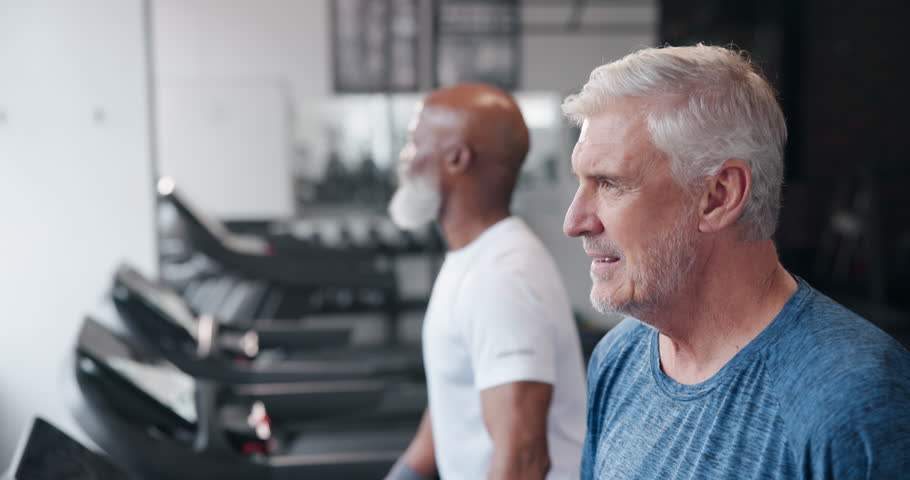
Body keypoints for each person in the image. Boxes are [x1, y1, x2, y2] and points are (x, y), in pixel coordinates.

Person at [561, 44, 910, 479]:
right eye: (583, 182)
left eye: (610, 183)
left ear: (719, 196)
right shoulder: (618, 358)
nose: (574, 222)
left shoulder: (853, 396)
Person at [384, 83, 586, 480]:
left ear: (457, 158)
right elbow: (452, 402)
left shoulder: (502, 275)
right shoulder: (473, 259)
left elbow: (523, 458)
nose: (405, 159)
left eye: (413, 142)